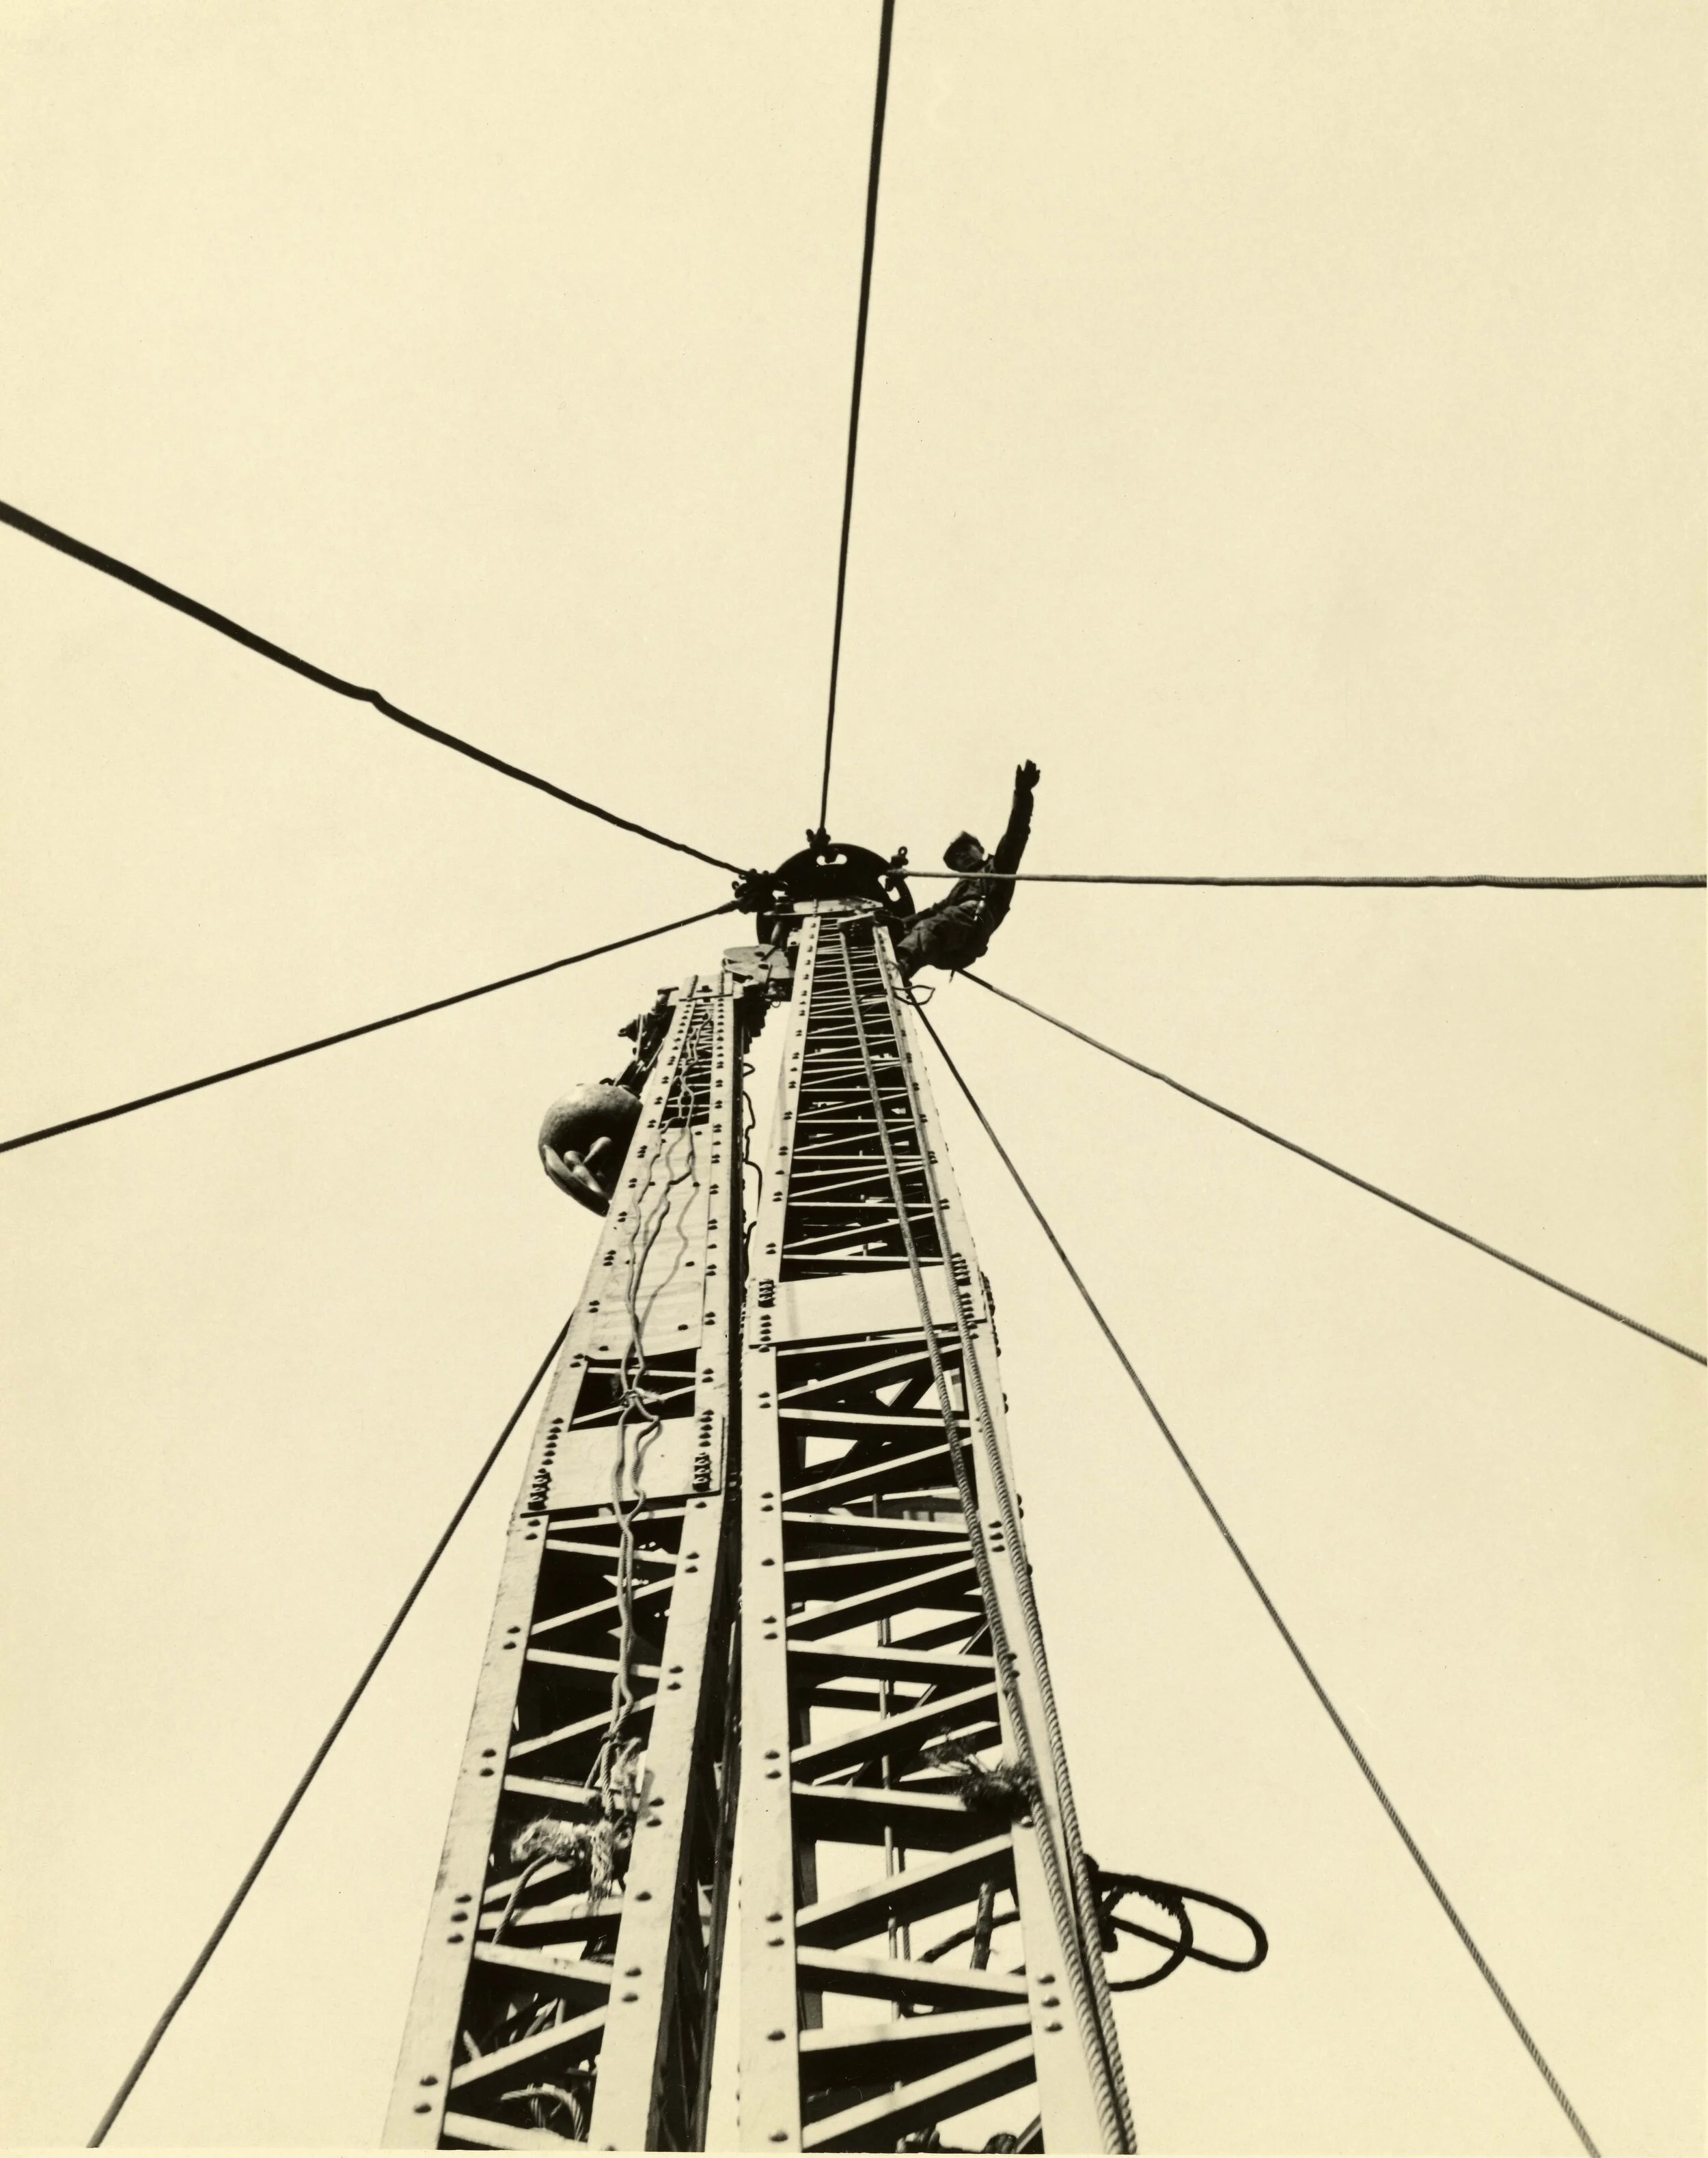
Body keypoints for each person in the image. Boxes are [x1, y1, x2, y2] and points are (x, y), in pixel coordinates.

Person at [894, 761, 1038, 978]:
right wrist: (897, 924)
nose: (961, 858)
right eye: (956, 859)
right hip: (952, 948)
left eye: (965, 851)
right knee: (915, 929)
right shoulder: (958, 891)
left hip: (977, 923)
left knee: (935, 926)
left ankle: (898, 966)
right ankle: (893, 965)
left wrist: (1023, 793)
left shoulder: (997, 868)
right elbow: (932, 912)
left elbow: (1015, 834)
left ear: (980, 849)